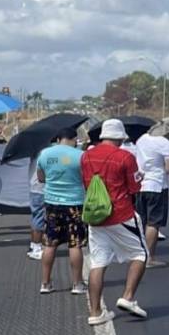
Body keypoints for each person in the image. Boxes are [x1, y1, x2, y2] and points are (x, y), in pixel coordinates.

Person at [81, 119, 148, 326]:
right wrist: (139, 177)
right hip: (121, 213)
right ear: (120, 137)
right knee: (140, 254)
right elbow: (134, 188)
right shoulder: (125, 157)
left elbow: (85, 183)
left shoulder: (86, 156)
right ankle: (128, 297)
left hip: (96, 216)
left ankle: (95, 312)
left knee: (98, 262)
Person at [37, 128, 87, 295]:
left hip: (52, 202)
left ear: (58, 139)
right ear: (74, 139)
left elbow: (41, 178)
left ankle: (45, 283)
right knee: (75, 243)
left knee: (50, 243)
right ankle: (77, 284)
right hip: (75, 202)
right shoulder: (80, 155)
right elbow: (85, 177)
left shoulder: (44, 154)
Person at [134, 122, 169, 267]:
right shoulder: (165, 144)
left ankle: (139, 254)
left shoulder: (141, 139)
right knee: (153, 223)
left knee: (141, 221)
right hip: (157, 185)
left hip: (141, 184)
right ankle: (149, 257)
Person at [27, 153, 46, 260]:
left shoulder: (33, 155)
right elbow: (42, 176)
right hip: (41, 189)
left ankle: (34, 245)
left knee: (36, 218)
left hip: (34, 189)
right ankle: (37, 248)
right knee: (39, 219)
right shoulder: (42, 156)